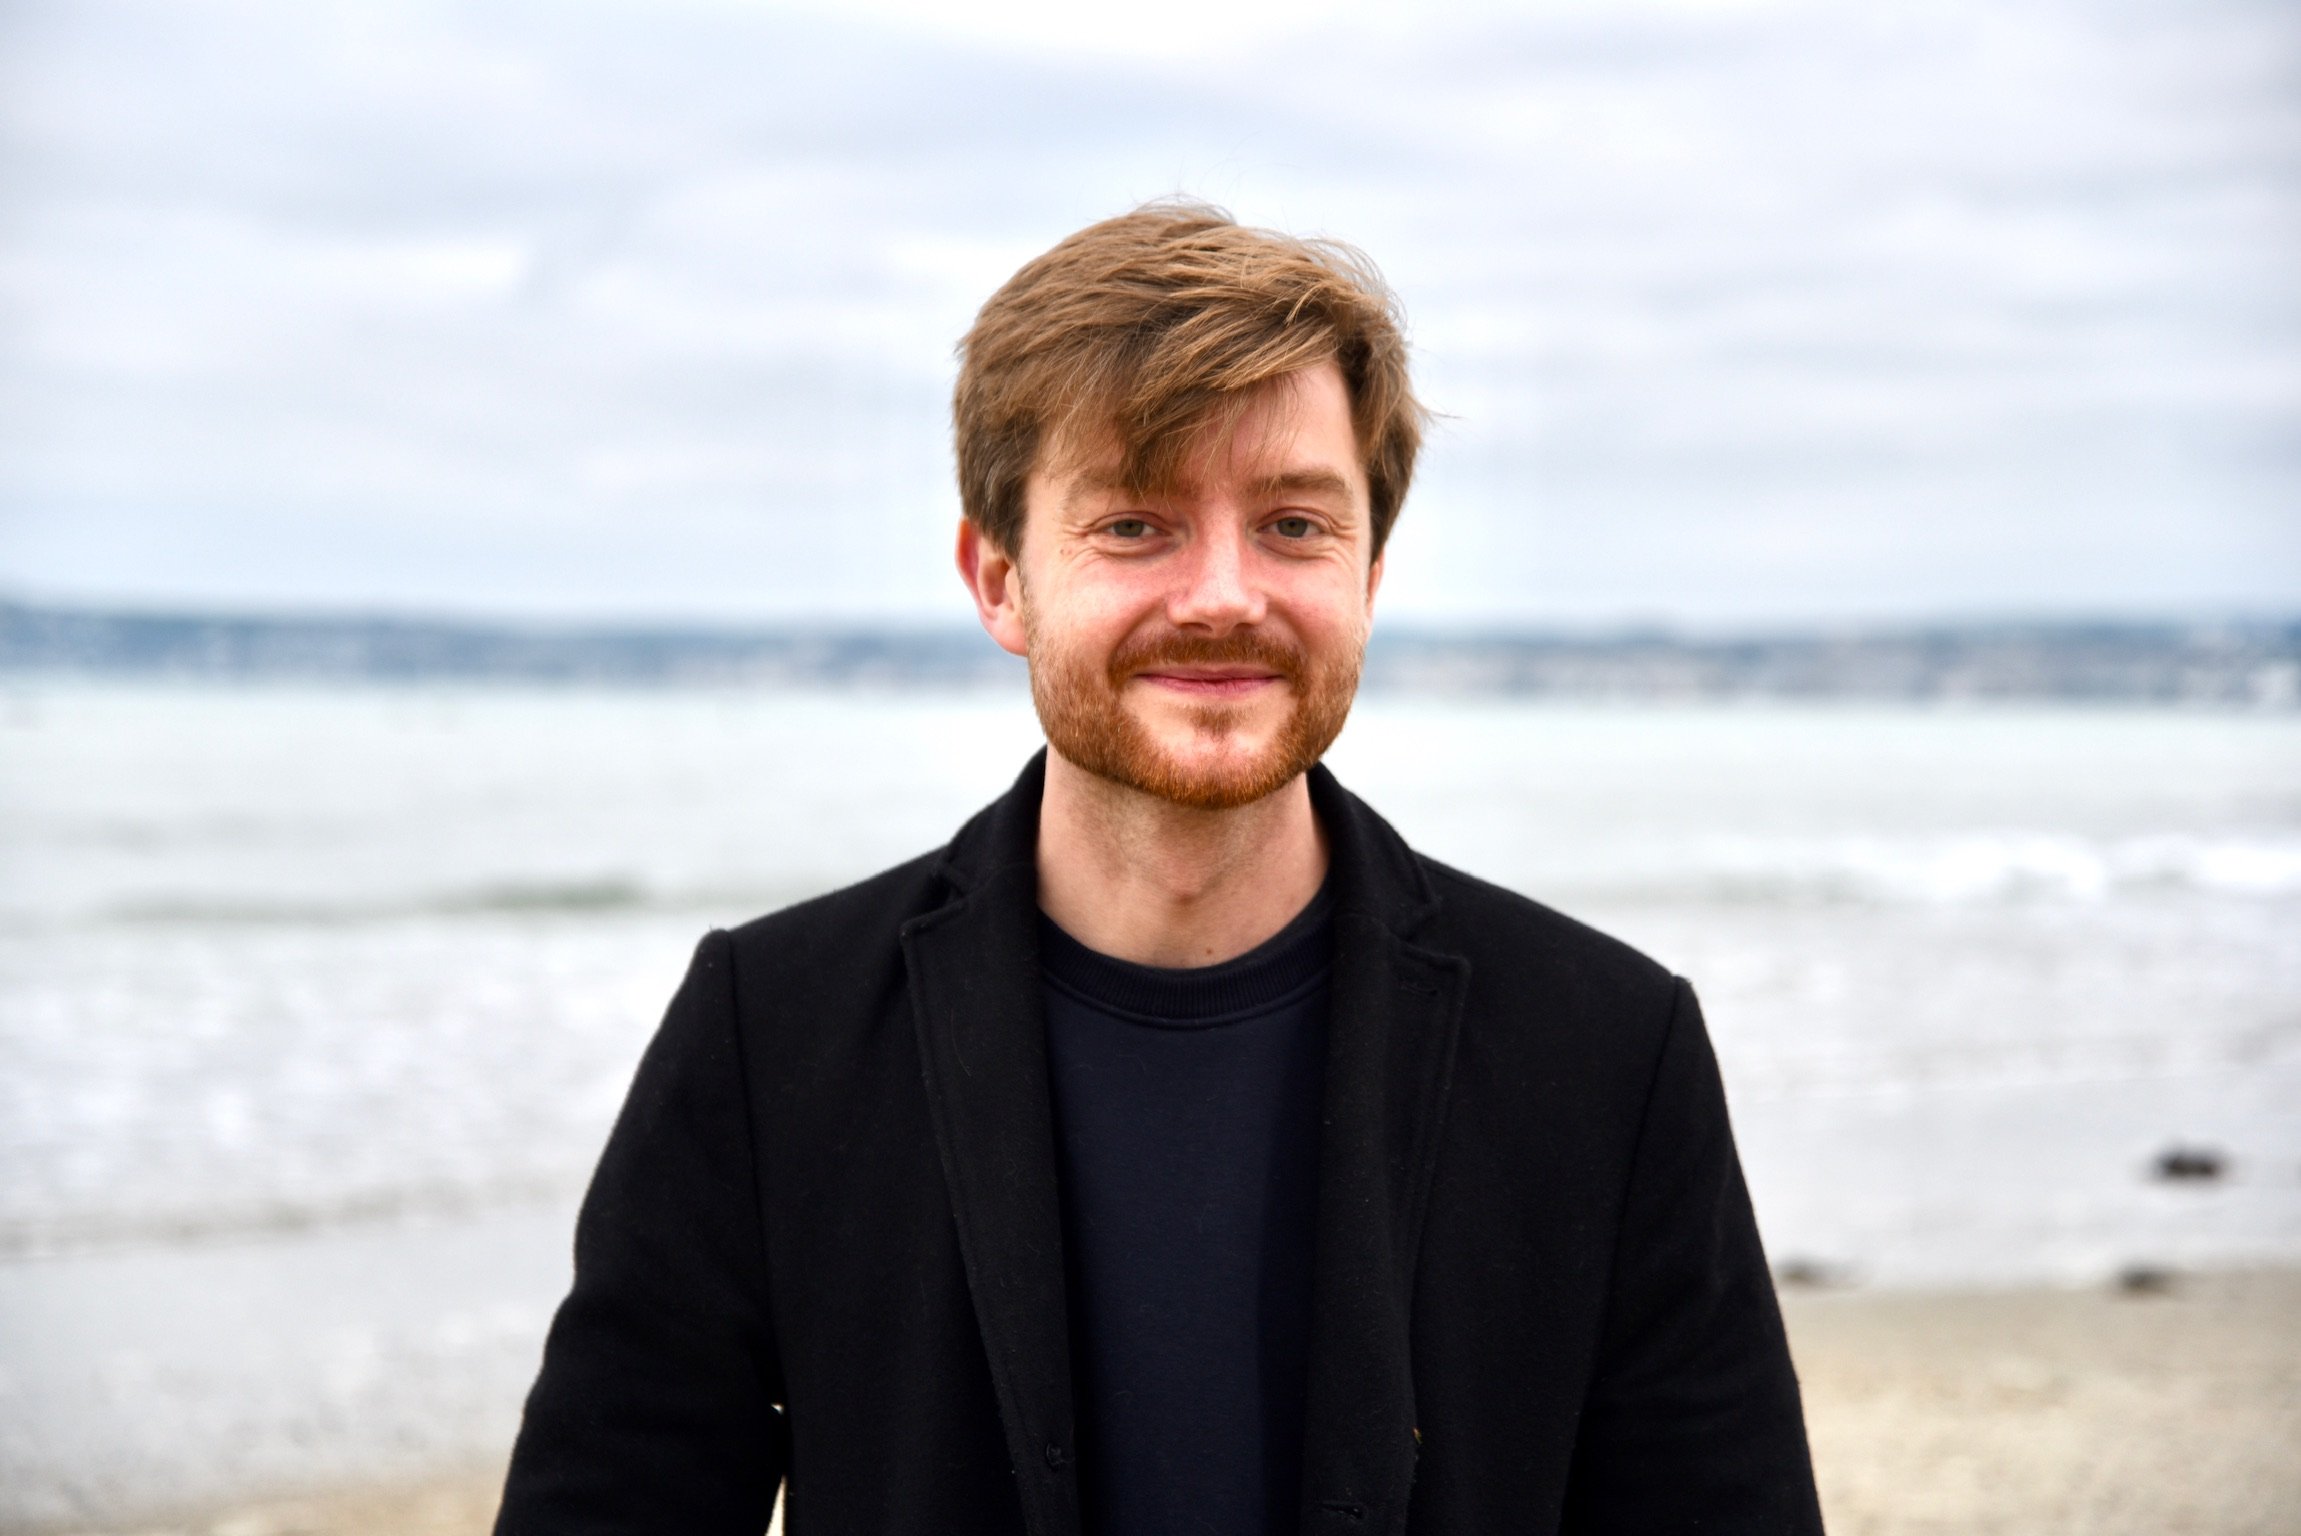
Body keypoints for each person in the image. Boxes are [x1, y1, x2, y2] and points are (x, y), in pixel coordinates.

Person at [494, 202, 1822, 1536]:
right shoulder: (770, 1034)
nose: (1222, 595)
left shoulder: (1601, 1050)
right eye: (1135, 524)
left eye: (1294, 525)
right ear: (998, 577)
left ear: (1369, 574)